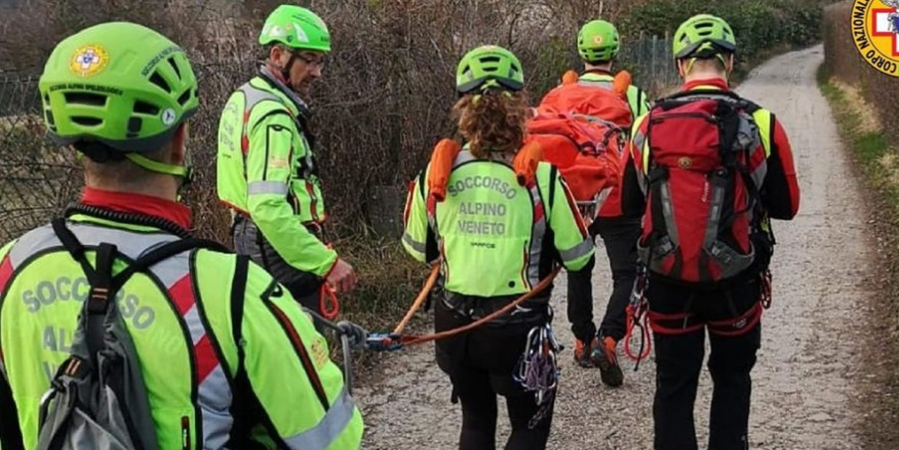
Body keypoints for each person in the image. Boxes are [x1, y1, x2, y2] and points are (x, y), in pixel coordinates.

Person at [0, 21, 363, 449]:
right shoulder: (232, 292)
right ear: (178, 141)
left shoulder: (10, 266)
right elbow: (334, 439)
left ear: (73, 143)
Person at [401, 45, 595, 450]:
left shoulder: (436, 173)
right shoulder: (543, 177)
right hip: (516, 328)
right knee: (529, 427)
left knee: (475, 422)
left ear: (462, 108)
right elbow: (580, 258)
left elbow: (419, 249)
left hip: (454, 322)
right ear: (521, 106)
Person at [620, 14, 800, 450]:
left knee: (674, 385)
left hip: (667, 277)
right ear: (730, 61)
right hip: (735, 279)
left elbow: (628, 205)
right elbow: (787, 206)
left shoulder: (646, 124)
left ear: (680, 65)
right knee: (733, 380)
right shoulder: (761, 123)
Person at [216, 4, 356, 313]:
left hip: (253, 238)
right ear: (278, 55)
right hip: (274, 249)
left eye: (320, 61)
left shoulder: (245, 96)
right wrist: (326, 263)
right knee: (302, 338)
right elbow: (267, 206)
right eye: (309, 60)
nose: (317, 72)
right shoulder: (274, 118)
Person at [565, 19, 652, 388]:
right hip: (619, 195)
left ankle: (583, 340)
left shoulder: (563, 92)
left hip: (576, 198)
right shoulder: (632, 95)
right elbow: (646, 146)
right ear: (615, 51)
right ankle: (610, 338)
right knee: (627, 273)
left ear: (581, 51)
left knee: (578, 267)